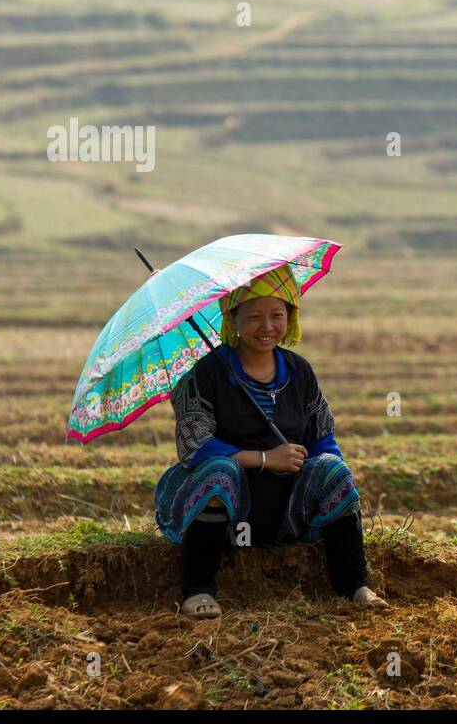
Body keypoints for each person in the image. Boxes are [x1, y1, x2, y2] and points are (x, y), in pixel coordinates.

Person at [153, 263, 387, 618]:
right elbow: (196, 446)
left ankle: (354, 585)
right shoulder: (208, 373)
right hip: (228, 510)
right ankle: (197, 591)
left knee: (333, 470)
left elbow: (322, 438)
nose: (266, 327)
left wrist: (329, 480)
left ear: (290, 317)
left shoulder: (299, 371)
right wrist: (264, 458)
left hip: (285, 509)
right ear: (232, 320)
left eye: (277, 315)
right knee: (219, 470)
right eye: (254, 317)